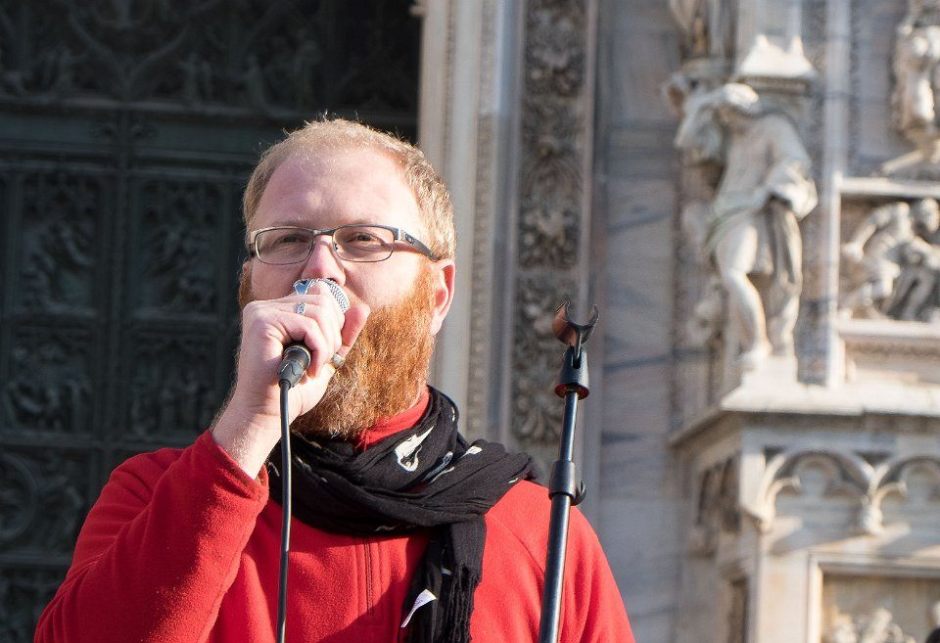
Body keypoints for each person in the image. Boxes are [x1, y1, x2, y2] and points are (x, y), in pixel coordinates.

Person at [35, 119, 634, 642]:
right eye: (288, 240)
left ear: (437, 294)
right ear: (248, 286)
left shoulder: (543, 535)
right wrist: (249, 427)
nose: (319, 272)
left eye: (363, 240)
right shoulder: (155, 498)